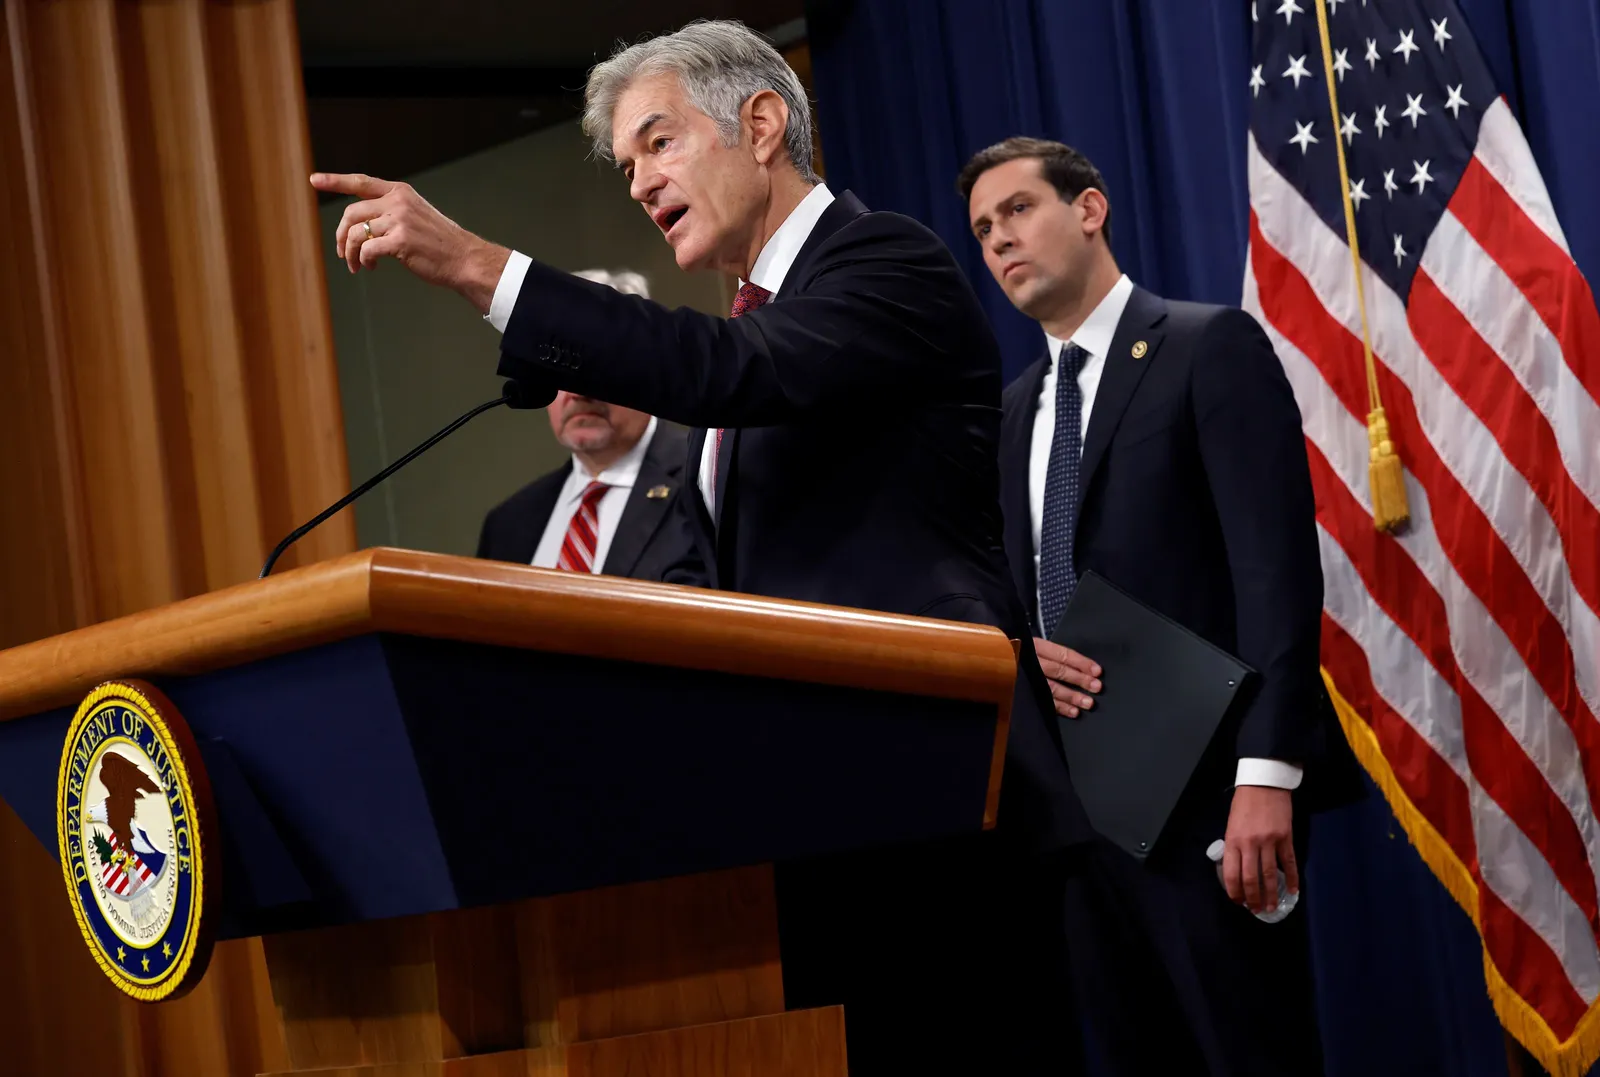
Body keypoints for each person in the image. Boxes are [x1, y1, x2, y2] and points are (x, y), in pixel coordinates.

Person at [310, 20, 1086, 1074]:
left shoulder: (884, 261)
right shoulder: (753, 324)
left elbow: (723, 371)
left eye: (657, 143)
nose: (636, 182)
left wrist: (471, 264)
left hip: (937, 799)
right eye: (626, 164)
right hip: (800, 826)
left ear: (760, 123)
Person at [961, 136, 1360, 1076]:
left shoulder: (1204, 346)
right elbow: (1014, 592)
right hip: (1080, 818)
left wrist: (1268, 773)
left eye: (1018, 210)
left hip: (1211, 801)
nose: (999, 241)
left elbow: (1275, 573)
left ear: (1089, 208)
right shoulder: (1013, 410)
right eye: (982, 230)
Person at [476, 269, 699, 583]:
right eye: (557, 367)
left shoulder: (707, 485)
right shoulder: (508, 524)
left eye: (595, 365)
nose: (577, 391)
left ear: (646, 367)